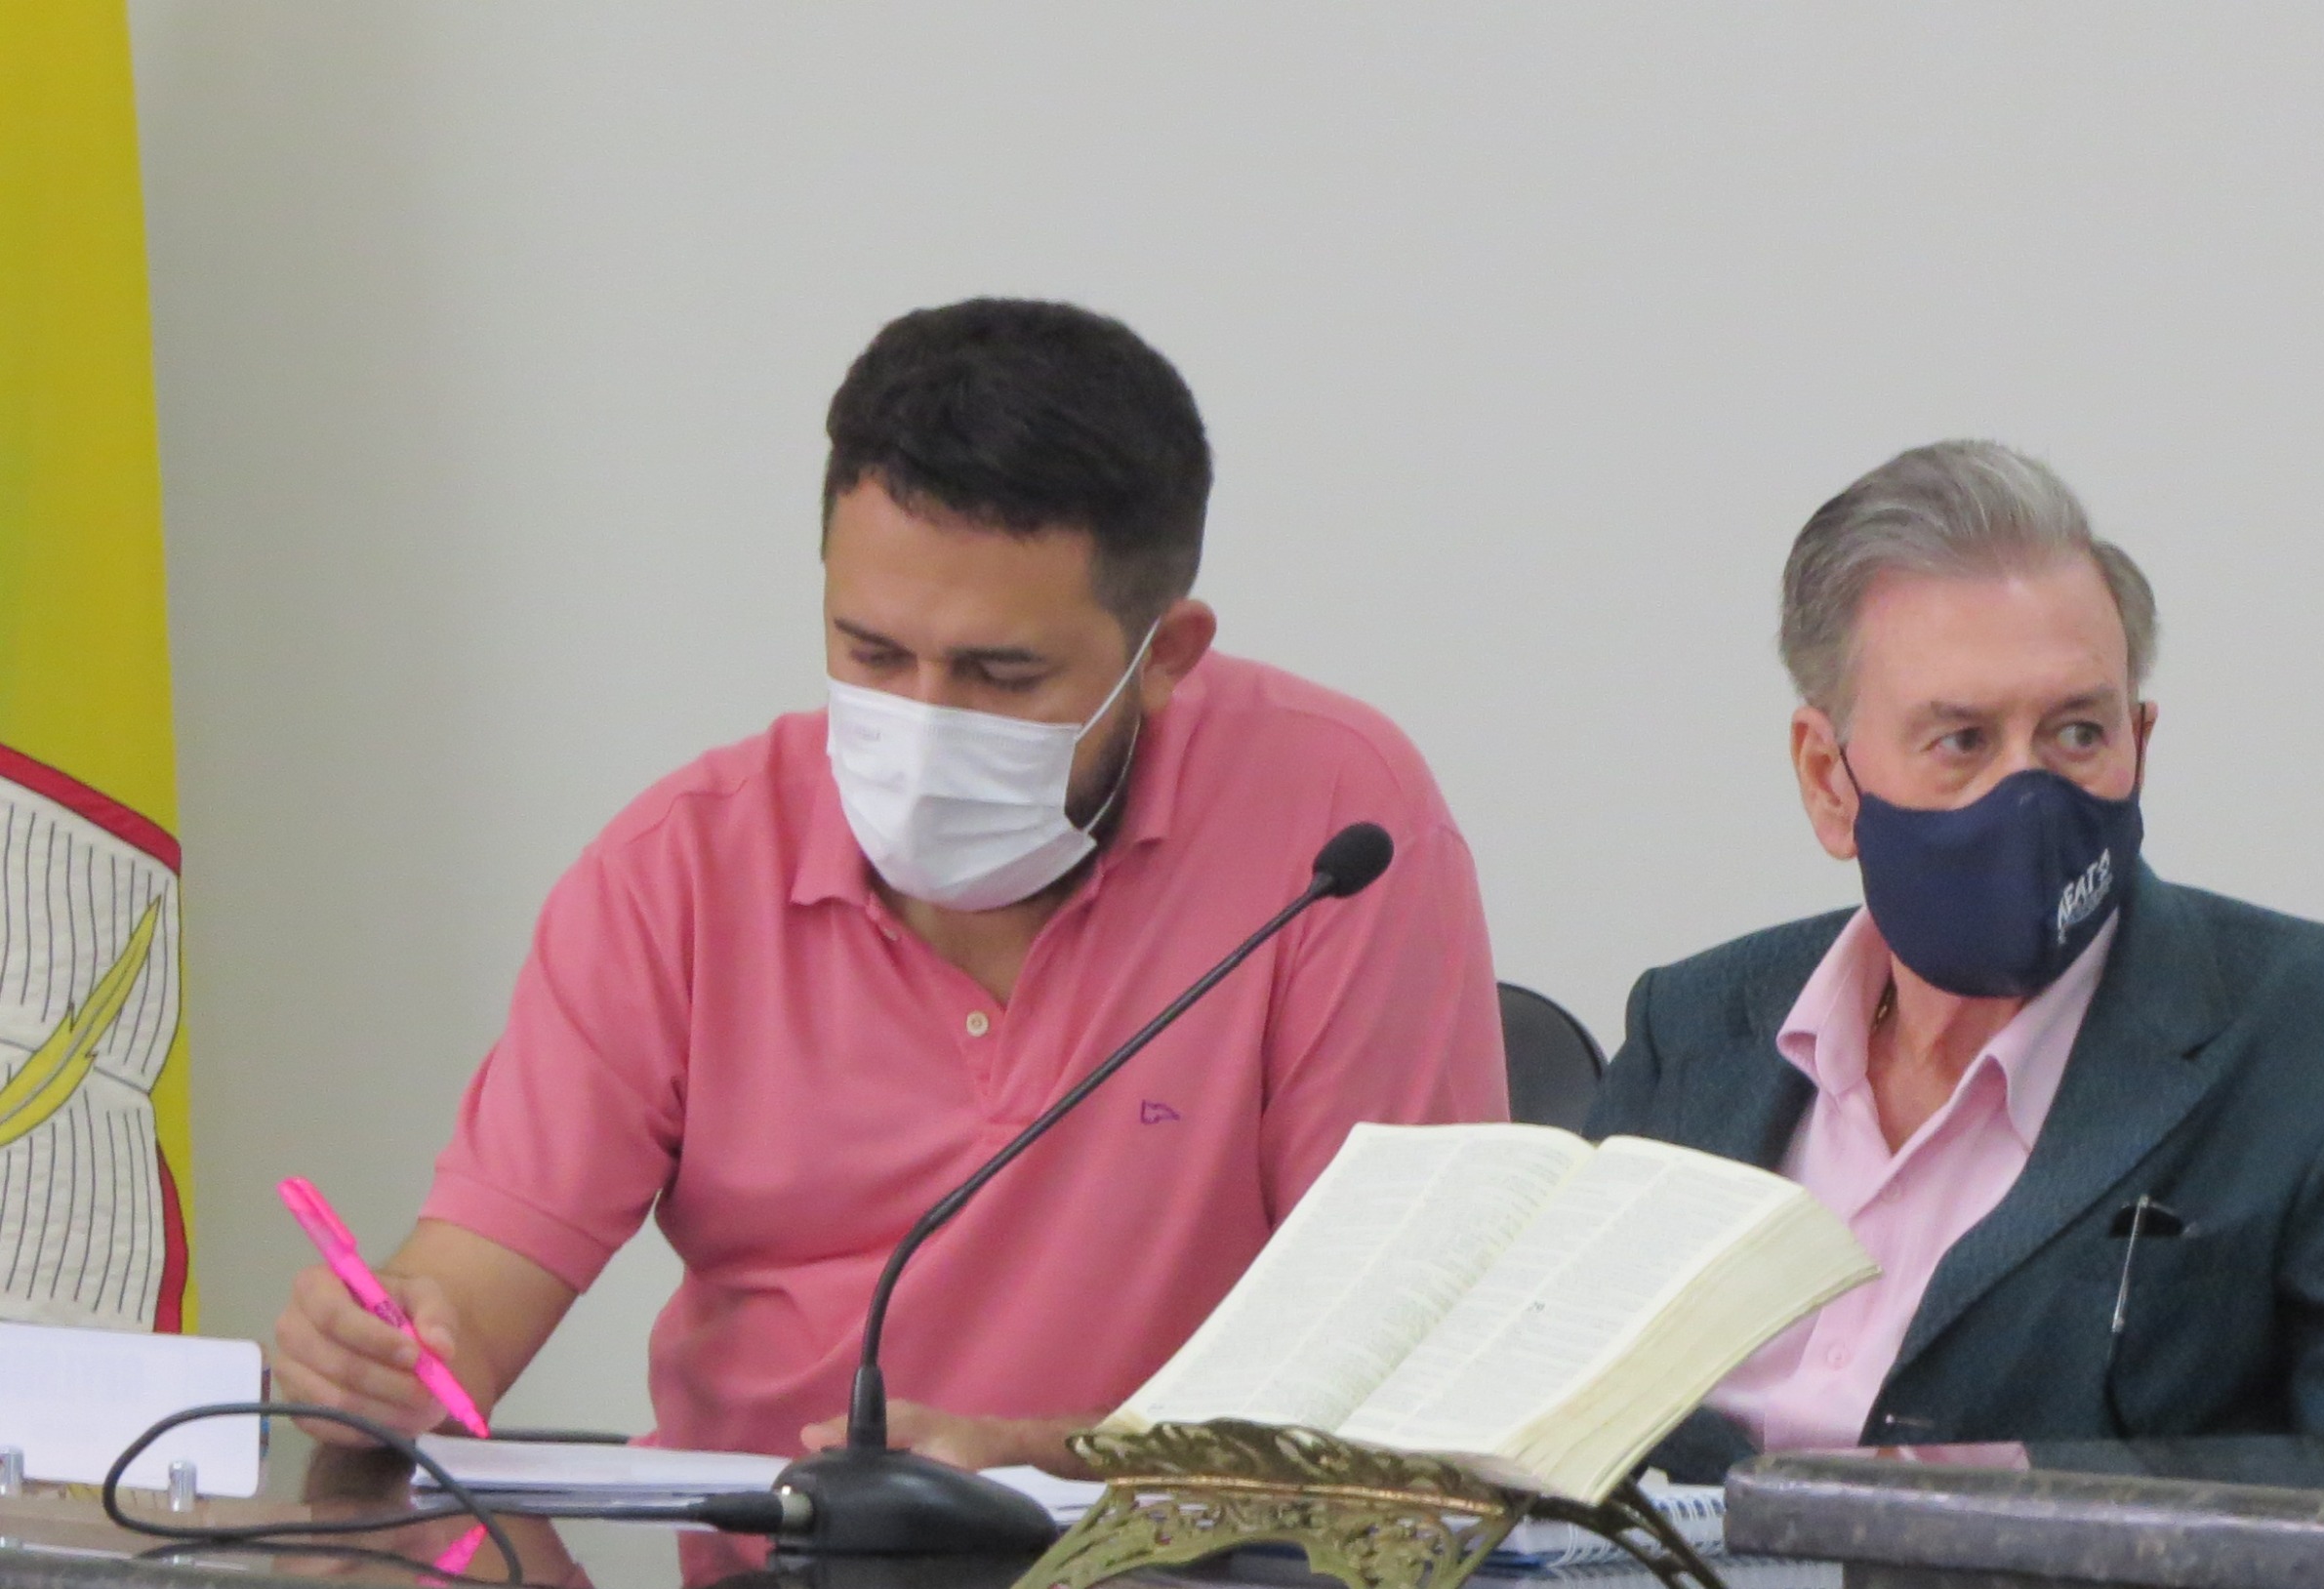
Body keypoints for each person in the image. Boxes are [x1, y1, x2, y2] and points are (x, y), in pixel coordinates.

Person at [271, 299, 1505, 1467]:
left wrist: (1037, 1462)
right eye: (871, 653)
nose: (922, 724)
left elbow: (1398, 1378)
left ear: (1164, 655)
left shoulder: (1335, 826)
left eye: (1001, 676)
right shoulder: (681, 868)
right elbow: (468, 1303)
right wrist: (381, 1363)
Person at [1591, 439, 2324, 1454]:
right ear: (1827, 779)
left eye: (2077, 733)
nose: (2026, 796)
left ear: (2139, 742)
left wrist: (1975, 1502)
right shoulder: (1694, 1032)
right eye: (1962, 741)